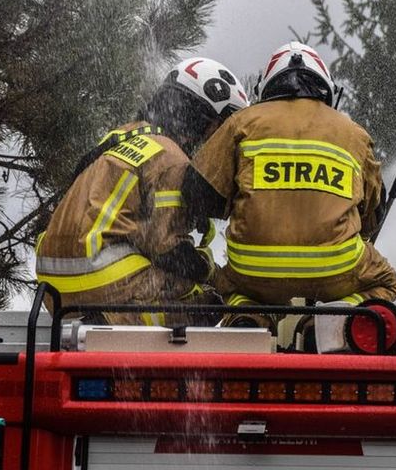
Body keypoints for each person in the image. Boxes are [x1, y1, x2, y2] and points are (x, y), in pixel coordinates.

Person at [183, 42, 396, 329]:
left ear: (266, 88)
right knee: (387, 282)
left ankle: (250, 317)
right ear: (326, 89)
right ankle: (331, 324)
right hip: (336, 267)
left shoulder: (242, 123)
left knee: (227, 286)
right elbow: (372, 214)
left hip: (253, 269)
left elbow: (197, 193)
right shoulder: (353, 134)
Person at [35, 57, 249, 325]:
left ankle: (102, 317)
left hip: (52, 287)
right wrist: (209, 269)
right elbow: (168, 248)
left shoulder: (120, 137)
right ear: (204, 120)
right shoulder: (171, 158)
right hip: (101, 277)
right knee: (202, 301)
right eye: (219, 131)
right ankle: (111, 323)